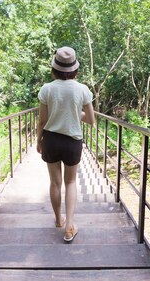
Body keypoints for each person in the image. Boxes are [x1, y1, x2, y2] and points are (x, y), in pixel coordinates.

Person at [36, 46, 94, 243]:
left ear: (54, 69)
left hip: (51, 139)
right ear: (74, 70)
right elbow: (91, 120)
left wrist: (38, 141)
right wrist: (74, 112)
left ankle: (58, 220)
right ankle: (70, 226)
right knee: (70, 182)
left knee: (55, 182)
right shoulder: (83, 89)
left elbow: (42, 121)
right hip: (72, 141)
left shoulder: (46, 89)